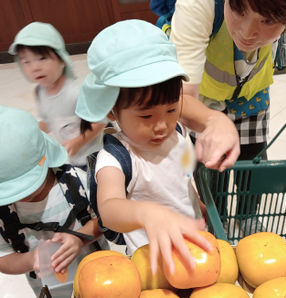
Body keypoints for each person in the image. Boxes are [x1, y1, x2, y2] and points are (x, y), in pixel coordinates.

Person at [75, 19, 215, 275]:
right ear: (112, 111)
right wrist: (147, 213)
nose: (162, 125)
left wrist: (196, 206)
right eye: (146, 116)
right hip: (152, 263)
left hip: (195, 245)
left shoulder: (179, 132)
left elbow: (179, 180)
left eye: (171, 109)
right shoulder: (115, 159)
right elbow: (109, 209)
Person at [170, 0, 286, 158]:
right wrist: (211, 120)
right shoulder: (198, 3)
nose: (247, 33)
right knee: (209, 172)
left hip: (252, 96)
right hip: (201, 100)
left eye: (267, 20)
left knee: (252, 170)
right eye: (238, 10)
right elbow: (180, 95)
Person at [0, 106, 108, 297]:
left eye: (28, 185)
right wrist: (30, 259)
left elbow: (106, 219)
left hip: (101, 280)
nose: (19, 196)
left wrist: (79, 239)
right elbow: (4, 258)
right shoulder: (4, 215)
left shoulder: (77, 182)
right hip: (51, 292)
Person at [8, 21, 107, 169]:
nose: (35, 67)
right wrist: (32, 138)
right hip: (72, 157)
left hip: (94, 156)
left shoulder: (75, 92)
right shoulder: (40, 91)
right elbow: (45, 121)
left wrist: (78, 141)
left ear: (62, 59)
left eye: (42, 58)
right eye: (26, 61)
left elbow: (100, 122)